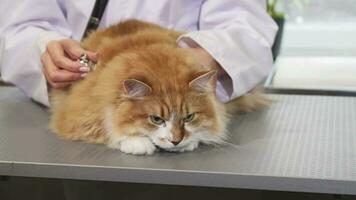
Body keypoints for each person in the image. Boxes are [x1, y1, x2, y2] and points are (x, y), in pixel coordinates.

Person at [0, 0, 277, 107]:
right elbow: (19, 27)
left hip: (193, 113)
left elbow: (248, 27)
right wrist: (45, 48)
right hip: (83, 111)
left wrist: (211, 55)